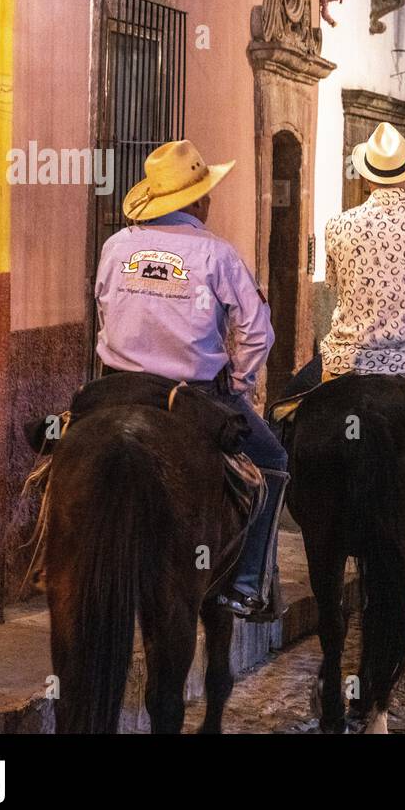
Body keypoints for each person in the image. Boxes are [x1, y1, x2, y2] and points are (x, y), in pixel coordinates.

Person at [95, 139, 287, 620]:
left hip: (115, 388)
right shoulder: (218, 255)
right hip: (191, 397)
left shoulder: (116, 246)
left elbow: (103, 308)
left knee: (55, 457)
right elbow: (257, 332)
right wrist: (238, 385)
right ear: (199, 200)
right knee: (273, 460)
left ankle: (46, 558)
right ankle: (245, 583)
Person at [283, 123, 405, 585]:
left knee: (282, 413)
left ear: (367, 177)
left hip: (345, 362)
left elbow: (336, 288)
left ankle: (296, 509)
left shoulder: (340, 225)